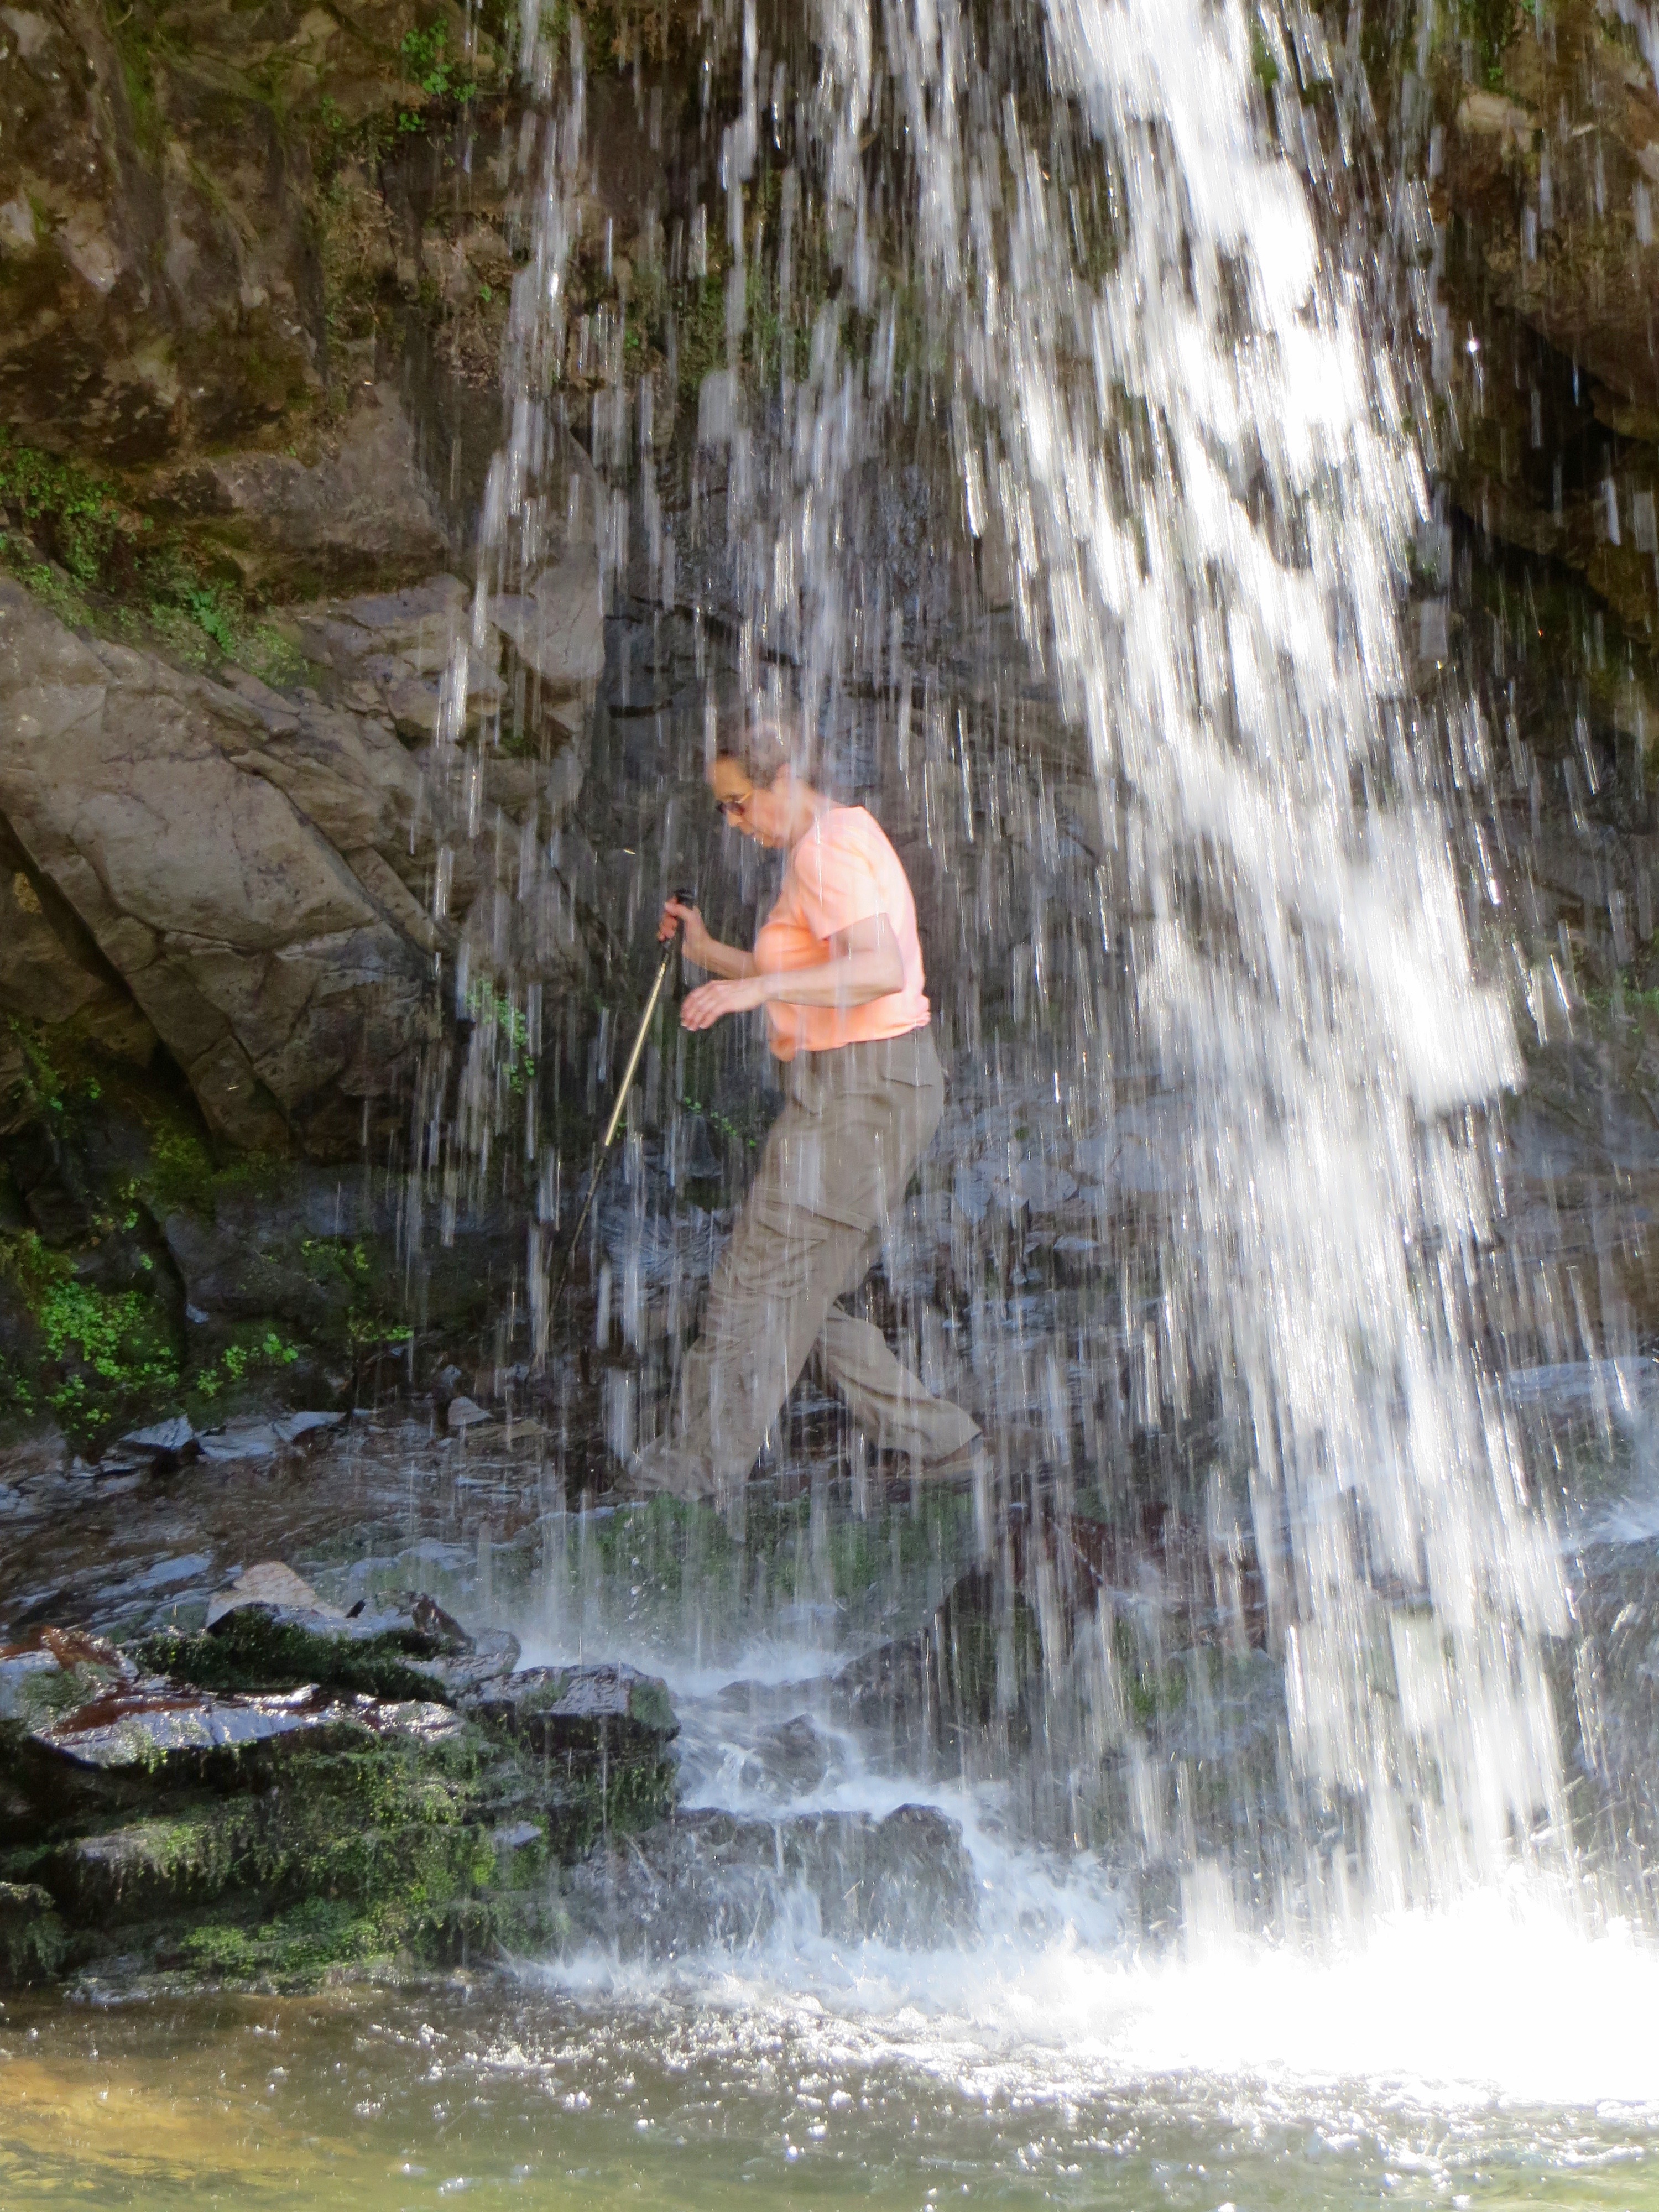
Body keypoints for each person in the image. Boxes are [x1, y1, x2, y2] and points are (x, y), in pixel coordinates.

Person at [629, 722, 983, 1504]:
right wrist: (709, 952)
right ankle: (942, 1441)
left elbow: (878, 968)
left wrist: (751, 992)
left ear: (781, 777)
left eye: (738, 803)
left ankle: (688, 1481)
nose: (734, 823)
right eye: (725, 809)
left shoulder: (823, 850)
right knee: (810, 1298)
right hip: (881, 1087)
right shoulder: (842, 836)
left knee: (754, 1283)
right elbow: (812, 968)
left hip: (860, 1094)